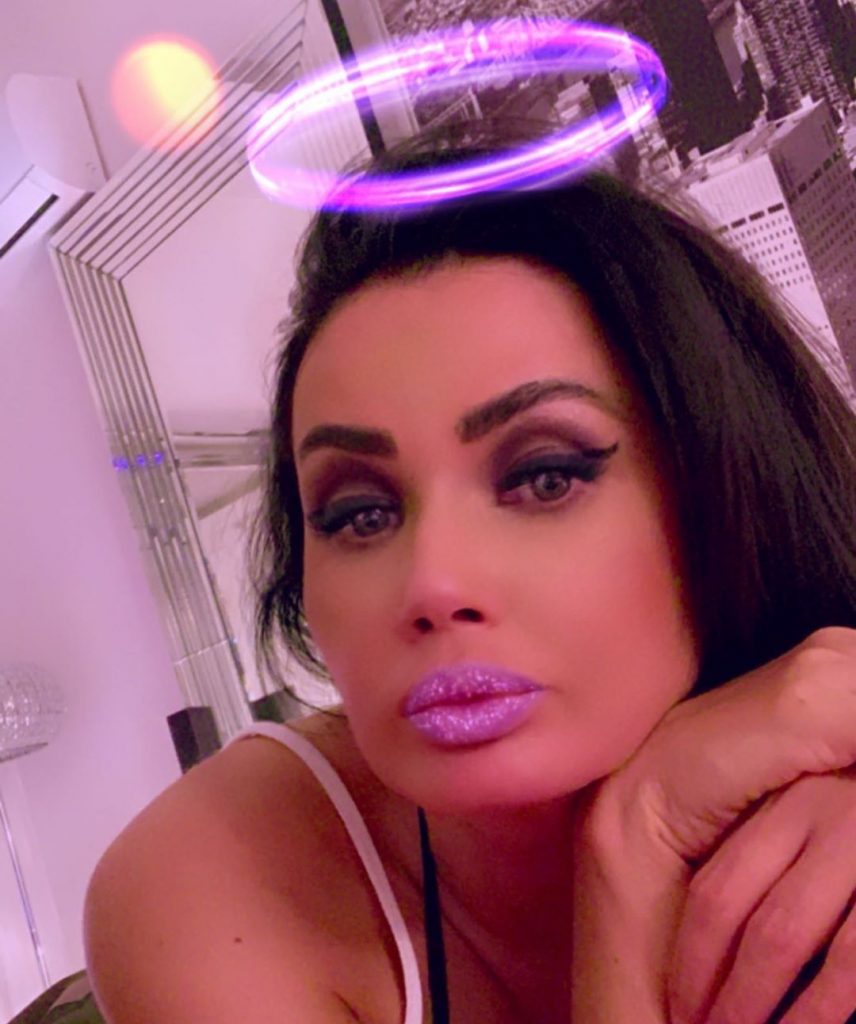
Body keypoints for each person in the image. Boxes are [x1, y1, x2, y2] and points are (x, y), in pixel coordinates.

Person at [84, 123, 856, 1024]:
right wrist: (635, 842)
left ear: (724, 483)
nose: (434, 585)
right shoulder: (210, 889)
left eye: (545, 477)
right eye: (362, 514)